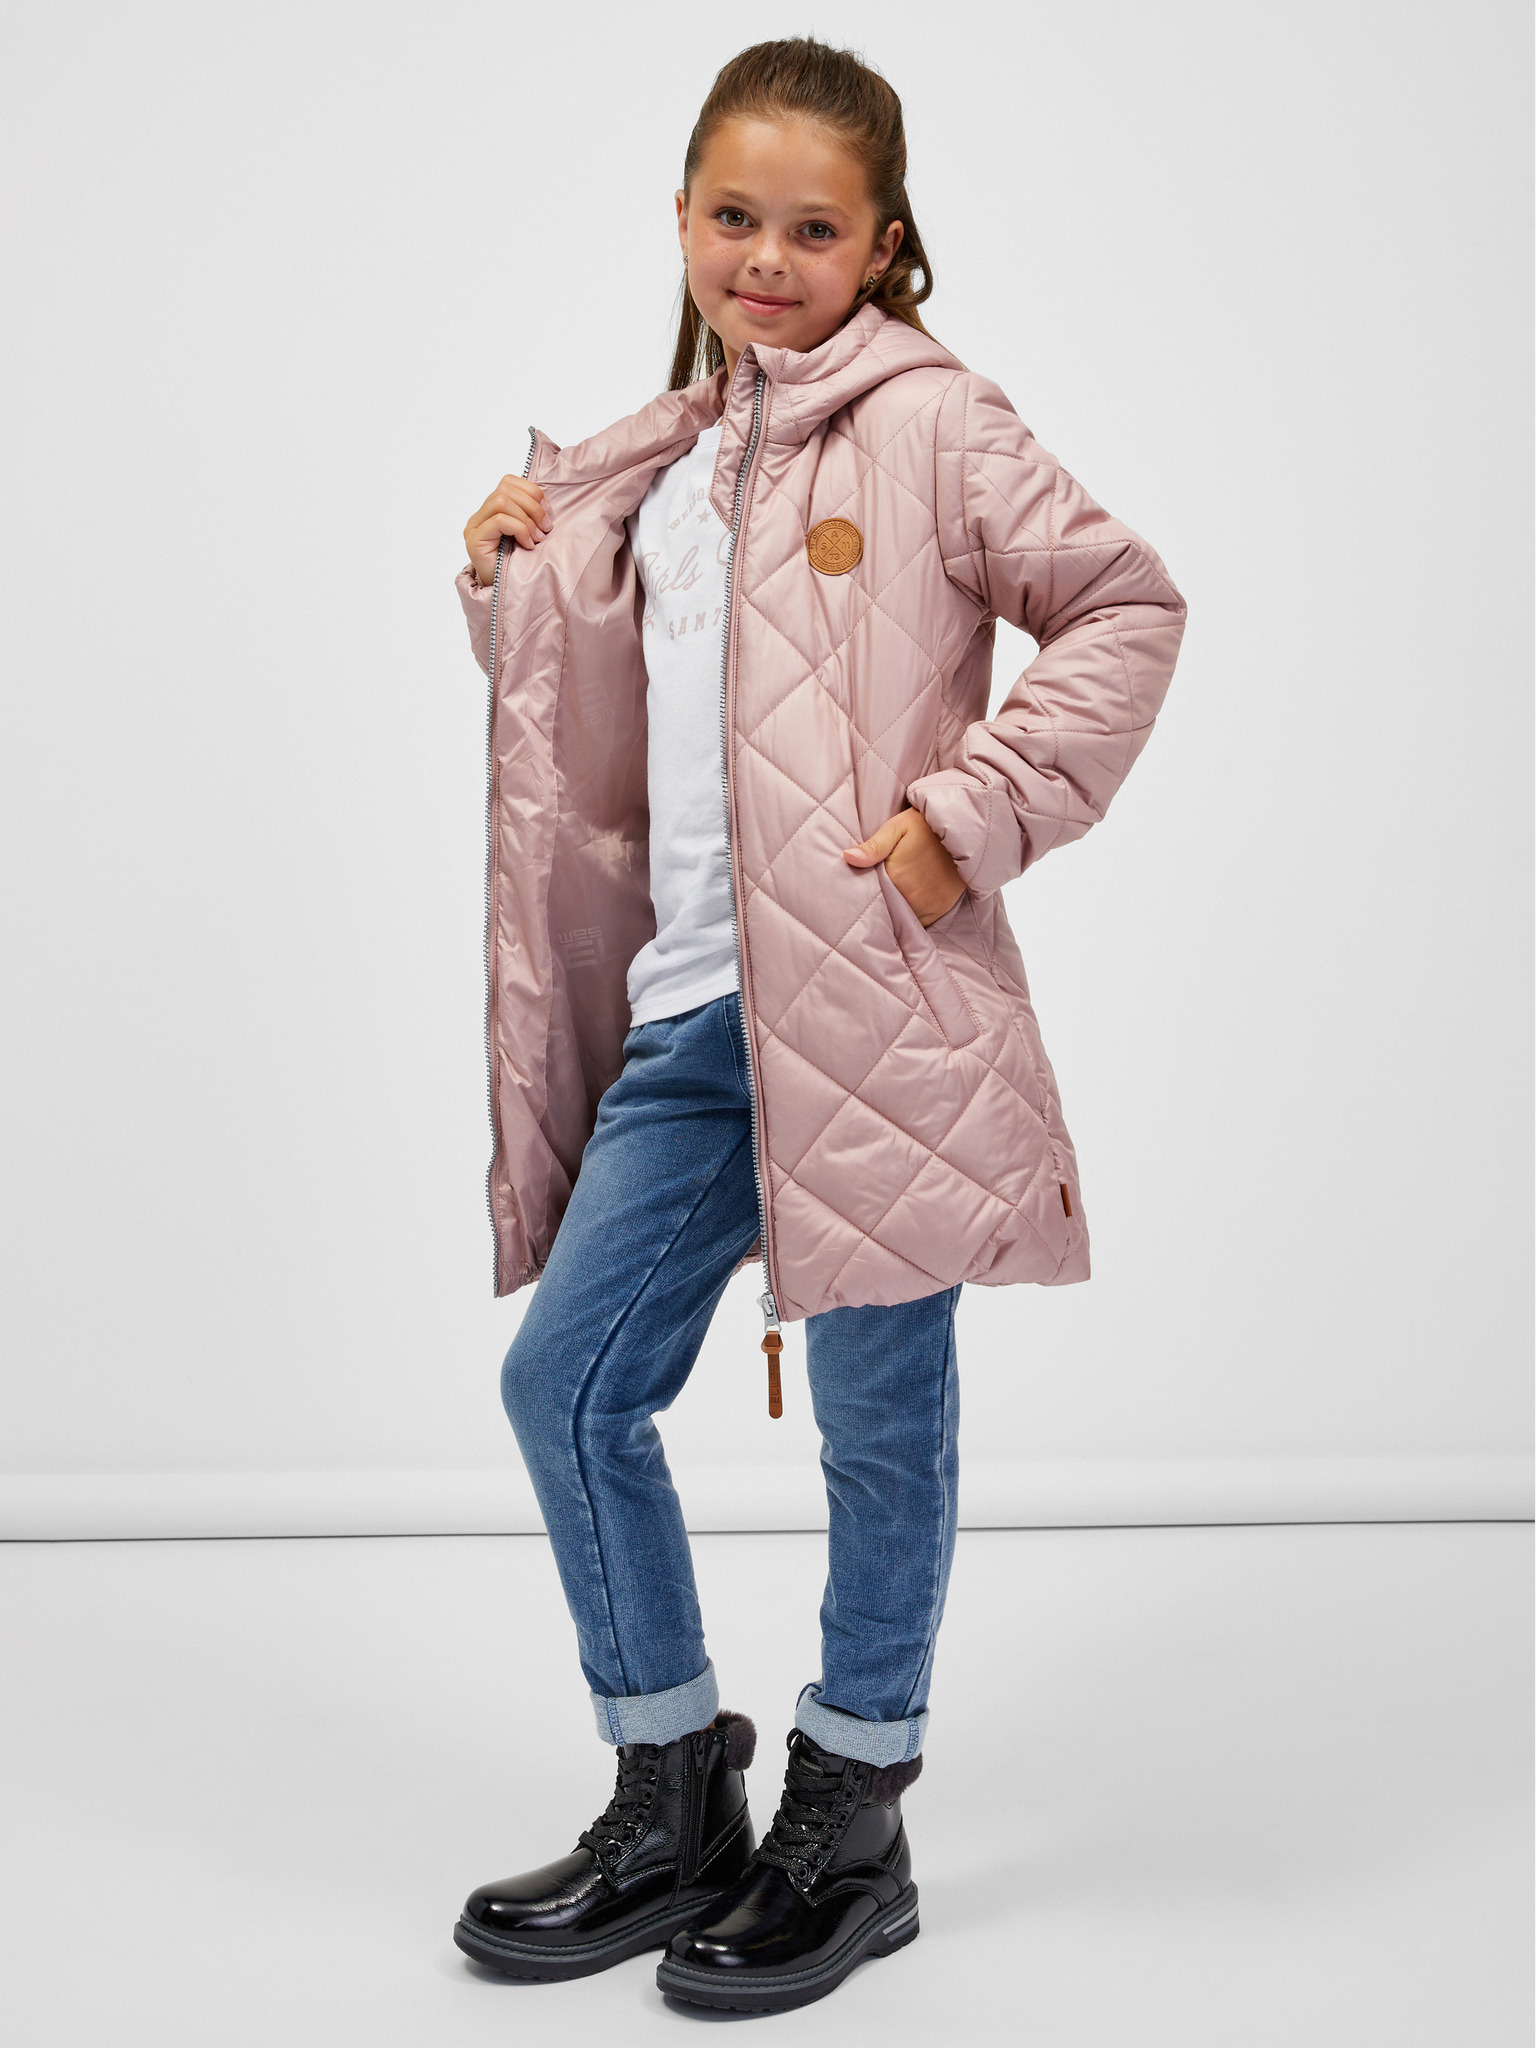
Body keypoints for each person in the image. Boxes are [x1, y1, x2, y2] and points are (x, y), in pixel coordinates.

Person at [449, 36, 1185, 2015]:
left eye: (812, 229)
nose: (764, 258)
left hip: (871, 1009)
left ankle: (852, 1814)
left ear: (883, 244)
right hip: (692, 1018)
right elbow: (617, 748)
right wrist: (513, 581)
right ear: (682, 217)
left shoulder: (937, 422)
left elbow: (1125, 605)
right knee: (567, 1383)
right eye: (732, 217)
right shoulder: (656, 459)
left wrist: (973, 814)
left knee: (878, 1422)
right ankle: (674, 1789)